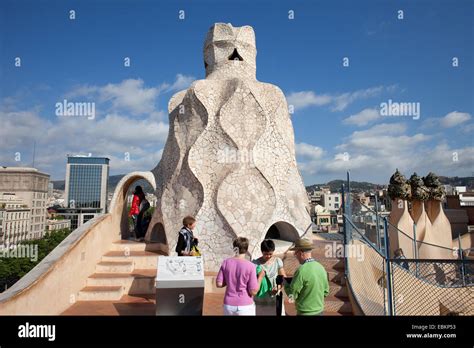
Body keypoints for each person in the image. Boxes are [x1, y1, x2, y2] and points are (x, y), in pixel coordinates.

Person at [216, 237, 265, 316]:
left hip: (228, 305)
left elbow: (219, 284)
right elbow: (253, 291)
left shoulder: (226, 262)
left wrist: (230, 279)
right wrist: (260, 277)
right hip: (245, 305)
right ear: (246, 249)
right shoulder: (251, 266)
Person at [284, 238, 329, 316]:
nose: (295, 255)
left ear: (301, 253)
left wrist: (285, 284)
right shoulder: (321, 267)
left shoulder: (301, 270)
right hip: (320, 311)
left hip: (305, 313)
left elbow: (292, 296)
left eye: (295, 253)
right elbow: (326, 292)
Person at [252, 239, 287, 315]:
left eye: (270, 254)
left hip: (275, 296)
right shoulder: (255, 264)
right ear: (262, 252)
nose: (268, 256)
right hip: (261, 298)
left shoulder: (277, 261)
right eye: (266, 254)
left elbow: (283, 277)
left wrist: (278, 287)